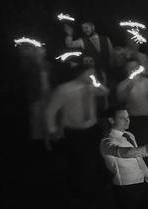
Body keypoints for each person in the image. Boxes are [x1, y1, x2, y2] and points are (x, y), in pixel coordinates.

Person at [45, 63, 110, 199]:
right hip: (75, 132)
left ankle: (99, 185)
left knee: (98, 156)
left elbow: (105, 92)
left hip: (92, 128)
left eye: (93, 73)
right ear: (80, 73)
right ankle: (78, 191)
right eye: (89, 73)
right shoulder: (64, 89)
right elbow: (50, 111)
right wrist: (52, 129)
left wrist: (96, 83)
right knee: (77, 161)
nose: (92, 76)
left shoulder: (91, 87)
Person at [116, 60, 148, 146]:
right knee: (139, 144)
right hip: (134, 119)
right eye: (131, 68)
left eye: (136, 67)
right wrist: (129, 86)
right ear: (126, 70)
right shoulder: (122, 85)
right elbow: (120, 100)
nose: (134, 69)